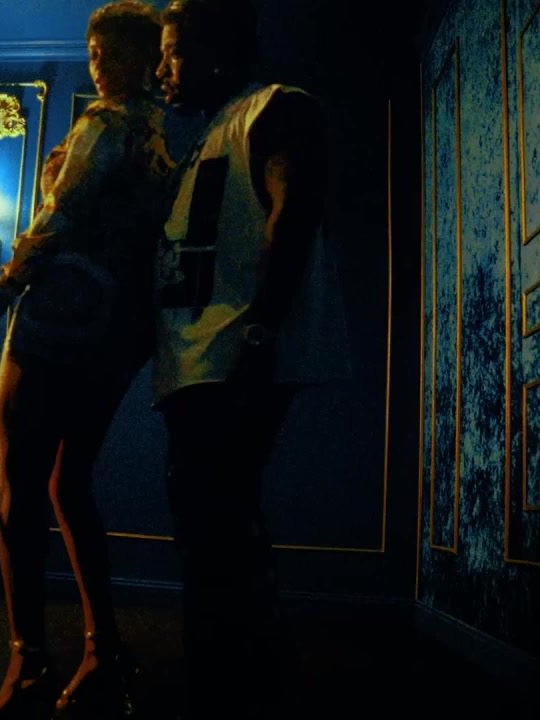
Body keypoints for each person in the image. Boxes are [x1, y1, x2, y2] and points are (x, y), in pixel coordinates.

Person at [0, 1, 175, 717]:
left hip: (57, 317)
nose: (99, 66)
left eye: (109, 54)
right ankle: (103, 650)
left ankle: (28, 663)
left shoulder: (106, 122)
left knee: (17, 486)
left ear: (142, 58)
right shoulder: (167, 134)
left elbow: (59, 216)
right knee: (69, 484)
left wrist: (0, 294)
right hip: (121, 332)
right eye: (93, 54)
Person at [151, 0, 353, 716]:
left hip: (233, 355)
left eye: (174, 51)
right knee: (209, 529)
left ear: (216, 49)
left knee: (218, 529)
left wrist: (261, 334)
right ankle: (234, 684)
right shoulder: (207, 138)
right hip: (197, 361)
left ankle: (240, 690)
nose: (161, 69)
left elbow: (291, 214)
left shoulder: (276, 109)